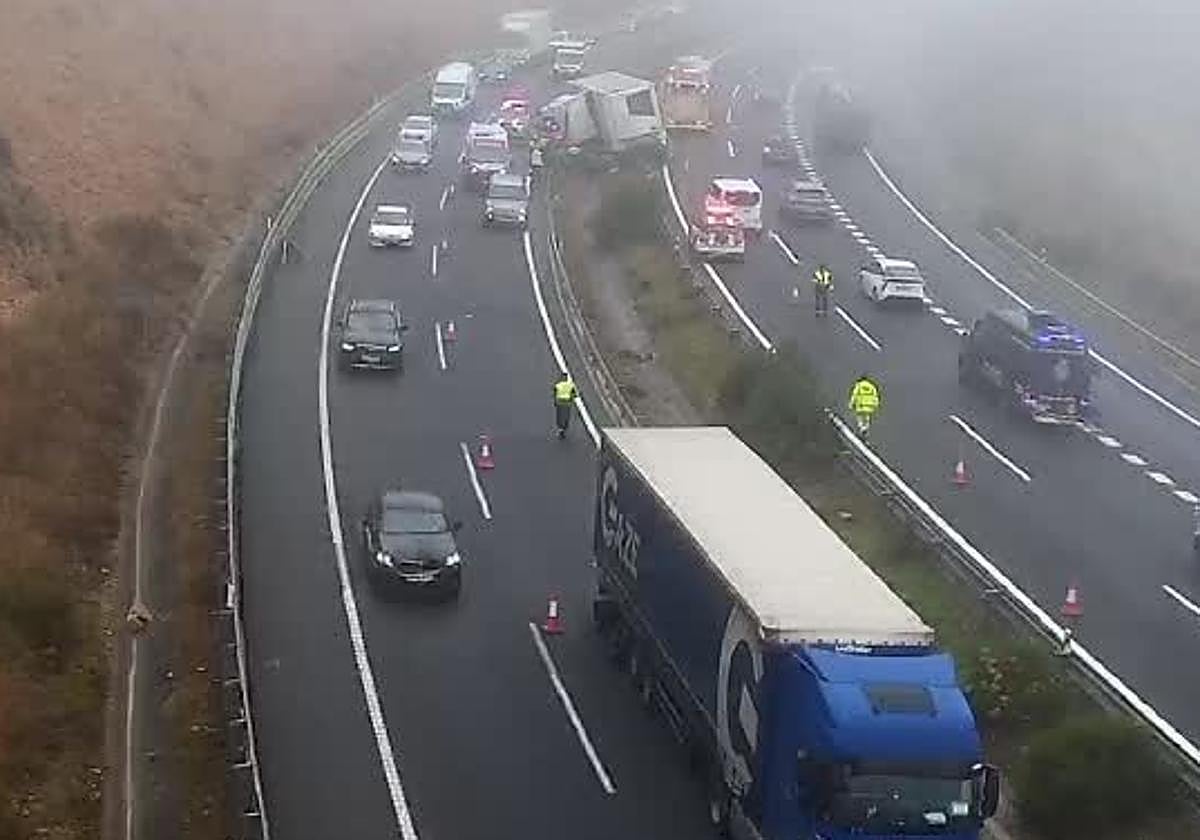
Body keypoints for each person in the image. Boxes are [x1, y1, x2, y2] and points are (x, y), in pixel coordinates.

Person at [848, 372, 880, 438]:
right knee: (866, 418)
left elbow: (854, 395)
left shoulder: (859, 386)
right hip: (869, 407)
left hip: (860, 405)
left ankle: (861, 429)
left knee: (860, 418)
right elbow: (876, 396)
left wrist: (851, 404)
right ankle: (865, 430)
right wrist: (876, 405)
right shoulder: (872, 386)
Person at [554, 372, 579, 438]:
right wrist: (572, 398)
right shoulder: (570, 386)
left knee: (560, 416)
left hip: (560, 402)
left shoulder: (558, 385)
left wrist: (555, 402)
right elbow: (574, 394)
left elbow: (555, 394)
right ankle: (564, 428)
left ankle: (560, 429)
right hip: (567, 402)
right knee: (566, 416)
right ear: (567, 378)